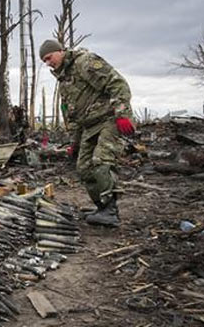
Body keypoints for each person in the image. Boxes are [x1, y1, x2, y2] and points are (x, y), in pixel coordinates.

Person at [39, 39, 135, 227]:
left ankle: (110, 211)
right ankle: (101, 207)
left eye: (49, 58)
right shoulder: (65, 80)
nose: (48, 63)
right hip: (89, 127)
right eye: (44, 61)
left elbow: (117, 83)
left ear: (60, 51)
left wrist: (122, 114)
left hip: (109, 119)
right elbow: (73, 116)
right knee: (83, 167)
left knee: (101, 161)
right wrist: (74, 143)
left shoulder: (85, 62)